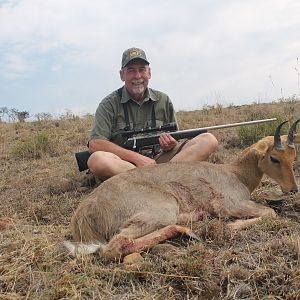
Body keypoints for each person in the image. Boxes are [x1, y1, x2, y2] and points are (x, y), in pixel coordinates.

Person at [87, 47, 218, 180]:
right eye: (131, 70)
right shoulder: (109, 104)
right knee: (97, 160)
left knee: (208, 140)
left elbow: (175, 140)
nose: (137, 76)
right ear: (122, 75)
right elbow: (95, 144)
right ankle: (161, 180)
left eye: (142, 70)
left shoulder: (163, 100)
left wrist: (171, 144)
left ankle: (158, 179)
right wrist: (136, 158)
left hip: (160, 162)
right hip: (125, 166)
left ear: (149, 73)